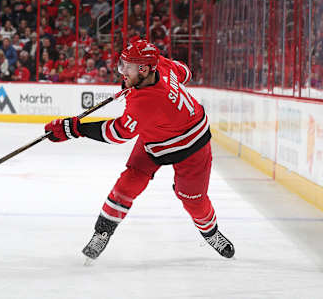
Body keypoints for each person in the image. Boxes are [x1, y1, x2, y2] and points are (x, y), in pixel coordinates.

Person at [44, 38, 235, 262]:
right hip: (155, 137)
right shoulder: (159, 65)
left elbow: (117, 133)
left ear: (144, 70)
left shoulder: (146, 103)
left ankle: (211, 233)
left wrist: (73, 128)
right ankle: (102, 232)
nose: (123, 71)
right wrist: (140, 85)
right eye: (123, 65)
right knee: (128, 183)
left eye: (128, 67)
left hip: (191, 144)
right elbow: (184, 72)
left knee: (192, 199)